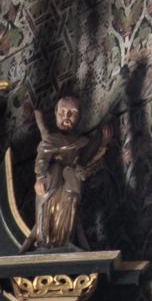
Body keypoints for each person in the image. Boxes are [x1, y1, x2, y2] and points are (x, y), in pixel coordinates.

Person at [30, 93, 113, 247]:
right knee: (54, 178)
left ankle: (66, 238)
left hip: (70, 183)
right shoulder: (52, 138)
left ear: (79, 117)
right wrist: (39, 177)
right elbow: (42, 157)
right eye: (62, 112)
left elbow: (87, 161)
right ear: (55, 113)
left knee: (72, 191)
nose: (66, 117)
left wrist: (101, 143)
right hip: (52, 182)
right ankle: (45, 238)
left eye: (72, 113)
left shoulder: (81, 142)